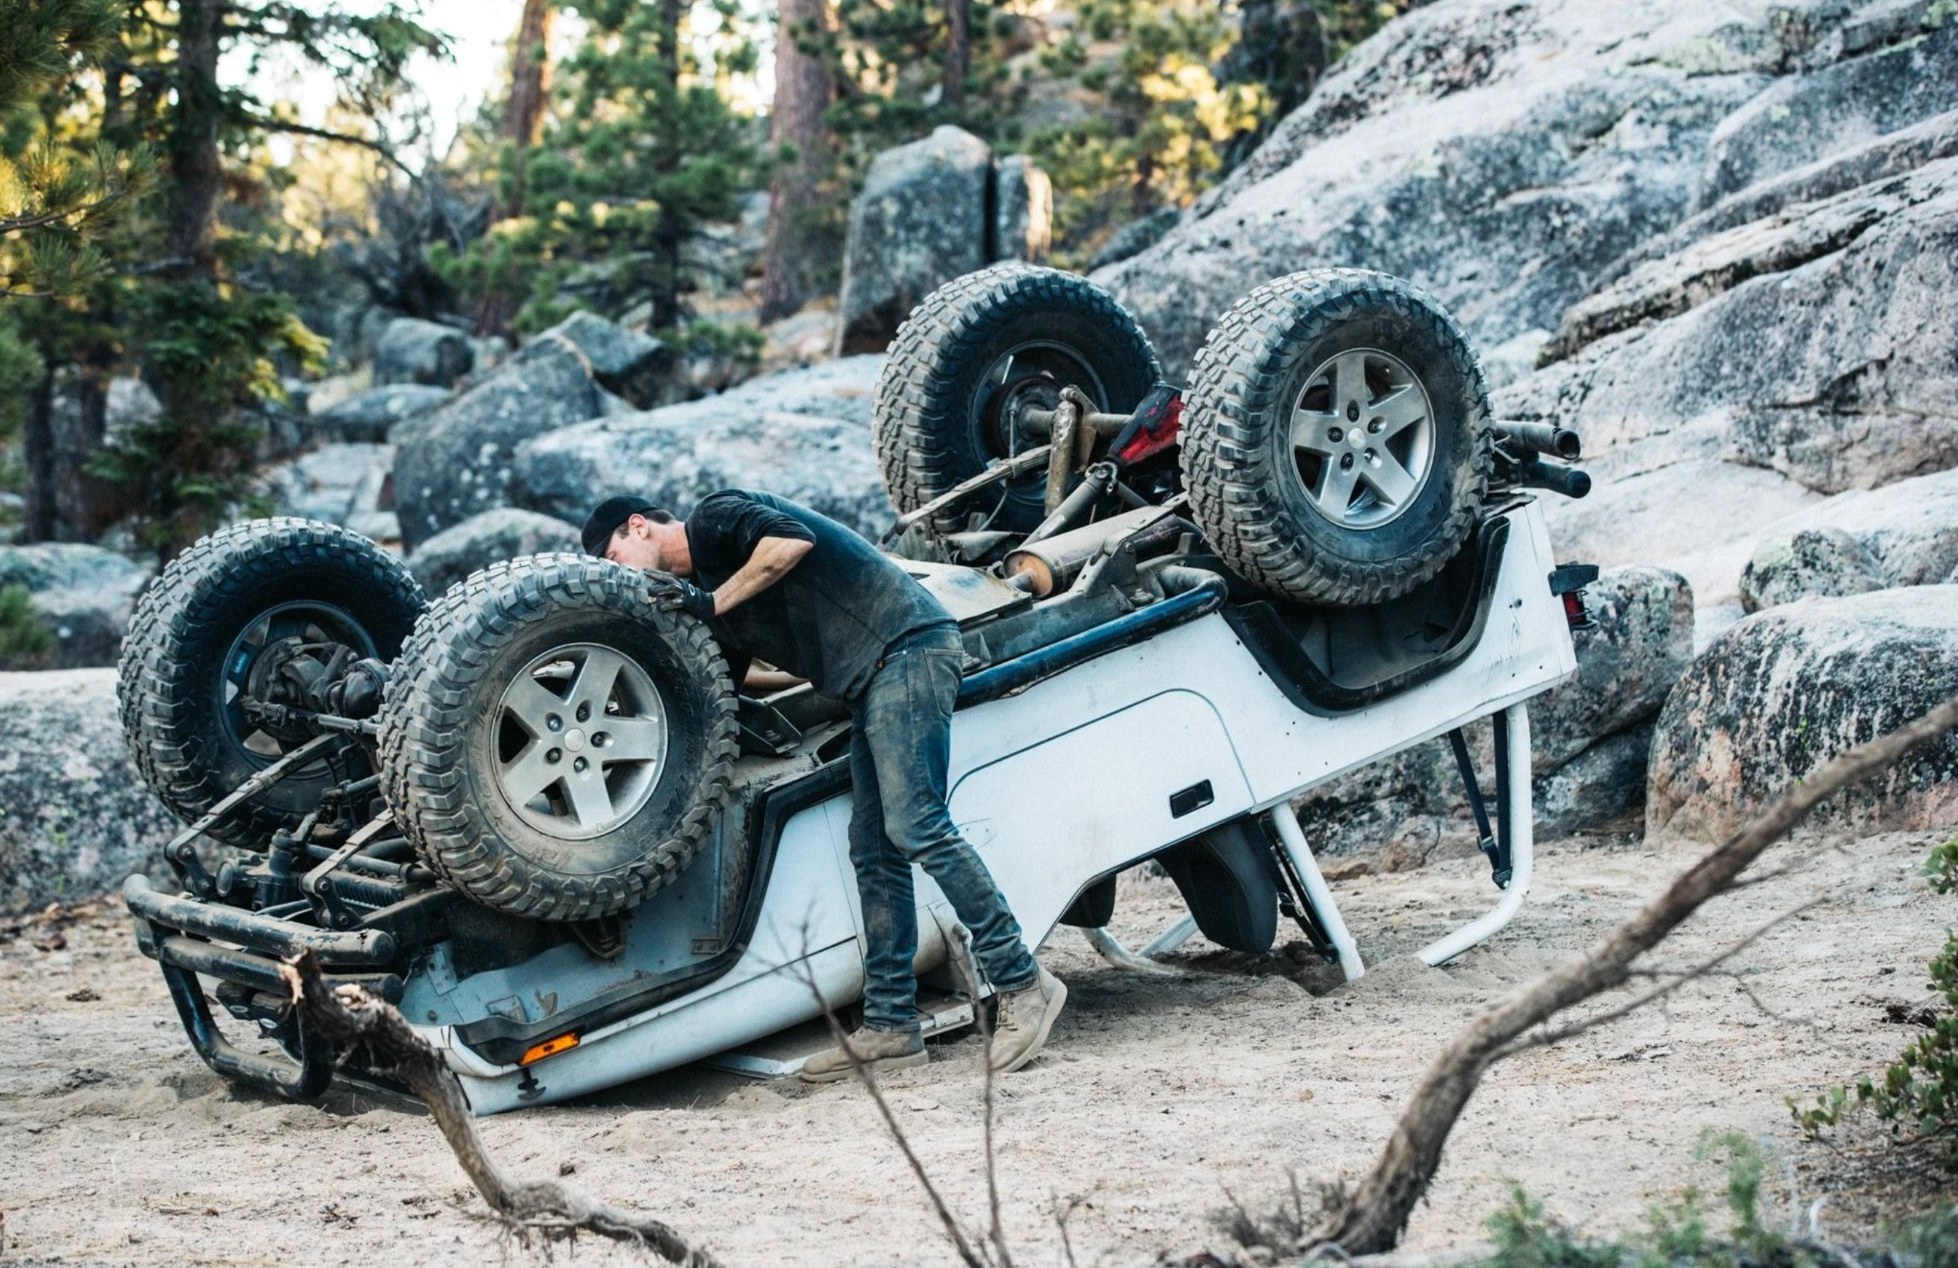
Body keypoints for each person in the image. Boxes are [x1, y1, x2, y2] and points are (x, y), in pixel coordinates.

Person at [581, 491, 1067, 1081]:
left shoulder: (714, 518)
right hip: (868, 680)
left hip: (907, 646)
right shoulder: (706, 603)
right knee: (873, 848)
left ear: (639, 527)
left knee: (918, 824)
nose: (618, 572)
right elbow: (719, 693)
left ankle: (1021, 982)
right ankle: (892, 1026)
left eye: (614, 556)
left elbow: (790, 543)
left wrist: (708, 604)